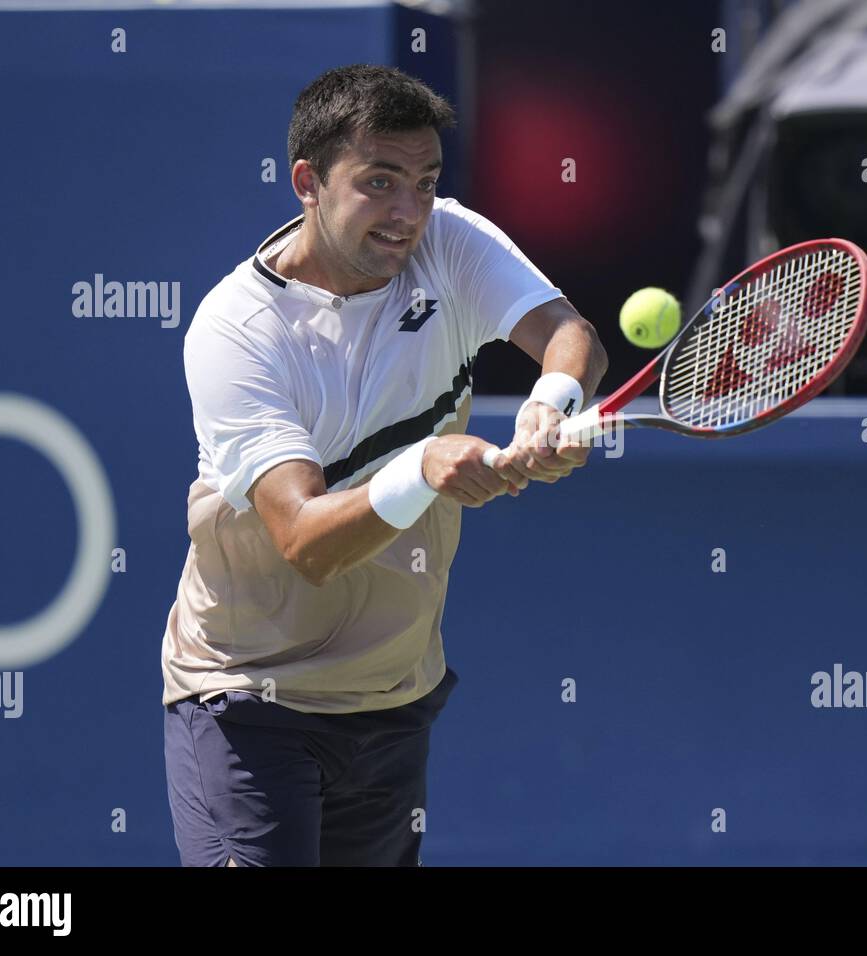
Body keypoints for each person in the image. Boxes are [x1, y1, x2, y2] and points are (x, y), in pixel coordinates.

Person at [161, 64, 608, 866]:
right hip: (248, 699)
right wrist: (425, 466)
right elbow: (306, 542)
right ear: (308, 182)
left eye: (426, 183)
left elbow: (568, 334)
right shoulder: (236, 331)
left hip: (393, 699)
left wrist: (554, 399)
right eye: (379, 182)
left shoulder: (451, 240)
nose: (408, 213)